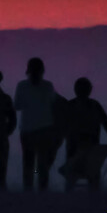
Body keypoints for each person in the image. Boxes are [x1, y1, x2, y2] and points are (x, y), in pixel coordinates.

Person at [59, 77, 107, 192]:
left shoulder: (93, 105)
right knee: (77, 176)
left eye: (84, 89)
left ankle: (88, 197)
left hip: (90, 147)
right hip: (76, 148)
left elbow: (106, 124)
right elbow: (61, 127)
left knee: (89, 175)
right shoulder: (73, 106)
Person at [14, 57, 65, 191]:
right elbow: (55, 101)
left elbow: (17, 105)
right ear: (42, 71)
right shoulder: (48, 86)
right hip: (44, 130)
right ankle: (41, 188)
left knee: (29, 162)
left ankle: (29, 189)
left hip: (27, 130)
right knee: (42, 163)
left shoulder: (22, 85)